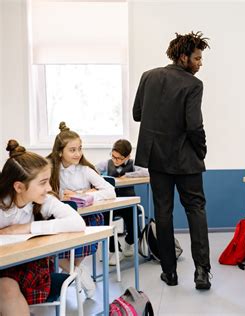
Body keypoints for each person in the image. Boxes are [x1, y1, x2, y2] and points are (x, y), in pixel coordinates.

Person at [133, 31, 211, 290]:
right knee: (196, 210)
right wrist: (201, 150)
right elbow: (194, 126)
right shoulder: (193, 85)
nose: (200, 63)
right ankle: (202, 272)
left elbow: (137, 114)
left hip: (157, 159)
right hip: (186, 159)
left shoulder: (148, 77)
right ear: (183, 57)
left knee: (163, 213)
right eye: (197, 58)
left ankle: (170, 273)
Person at [0, 140, 86, 316]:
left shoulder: (42, 201)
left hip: (28, 267)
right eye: (43, 182)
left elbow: (77, 223)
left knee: (8, 289)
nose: (49, 188)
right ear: (18, 187)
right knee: (7, 288)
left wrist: (27, 227)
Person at [47, 122, 116, 298]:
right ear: (60, 151)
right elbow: (45, 195)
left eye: (79, 149)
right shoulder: (49, 169)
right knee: (52, 248)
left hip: (86, 218)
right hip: (60, 219)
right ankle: (78, 273)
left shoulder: (85, 170)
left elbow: (110, 191)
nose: (78, 154)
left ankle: (75, 272)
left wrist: (84, 194)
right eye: (72, 150)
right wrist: (63, 195)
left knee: (89, 226)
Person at [96, 139, 149, 265]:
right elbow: (93, 170)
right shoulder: (107, 163)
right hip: (111, 203)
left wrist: (128, 176)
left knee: (134, 225)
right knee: (104, 221)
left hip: (128, 202)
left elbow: (146, 172)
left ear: (127, 157)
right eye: (113, 156)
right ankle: (116, 250)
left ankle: (129, 242)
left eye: (119, 158)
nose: (115, 160)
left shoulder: (133, 164)